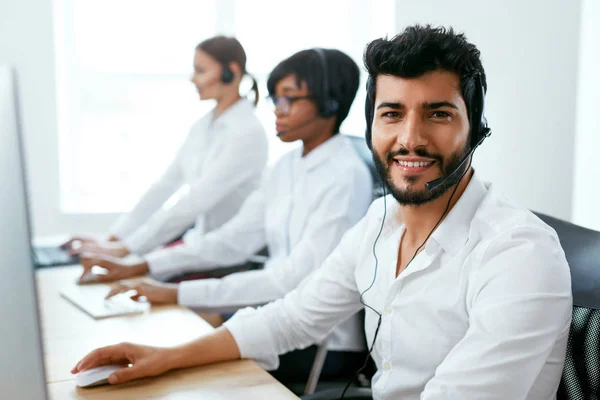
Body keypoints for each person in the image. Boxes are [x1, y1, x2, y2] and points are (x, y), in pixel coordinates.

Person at [72, 26, 572, 399]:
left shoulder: (518, 253)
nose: (410, 139)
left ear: (476, 127)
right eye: (392, 113)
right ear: (372, 124)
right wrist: (164, 358)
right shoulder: (379, 222)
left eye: (438, 114)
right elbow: (289, 320)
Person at [77, 48, 374, 384]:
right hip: (270, 316)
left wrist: (177, 292)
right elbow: (232, 239)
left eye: (288, 99)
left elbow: (292, 280)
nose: (277, 110)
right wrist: (147, 267)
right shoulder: (286, 166)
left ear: (329, 103)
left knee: (180, 362)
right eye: (275, 99)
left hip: (319, 342)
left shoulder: (345, 176)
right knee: (166, 337)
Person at [61, 36, 268, 259]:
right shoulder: (204, 126)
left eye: (200, 71)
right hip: (200, 244)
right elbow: (165, 185)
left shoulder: (247, 133)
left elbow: (194, 202)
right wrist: (114, 238)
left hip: (232, 255)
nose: (192, 79)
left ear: (231, 72)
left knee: (132, 274)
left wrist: (128, 248)